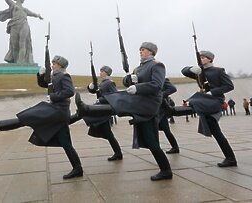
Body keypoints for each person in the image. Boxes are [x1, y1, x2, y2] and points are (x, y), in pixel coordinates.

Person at [75, 42, 173, 181]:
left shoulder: (157, 65)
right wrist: (129, 79)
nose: (140, 51)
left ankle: (166, 171)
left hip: (149, 103)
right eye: (140, 49)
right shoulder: (139, 67)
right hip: (140, 102)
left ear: (151, 52)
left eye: (143, 49)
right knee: (151, 141)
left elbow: (157, 85)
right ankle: (166, 170)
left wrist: (138, 88)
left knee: (120, 99)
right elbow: (128, 82)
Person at [0, 55, 83, 179]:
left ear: (60, 65)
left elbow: (70, 91)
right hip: (56, 112)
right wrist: (40, 75)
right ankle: (78, 168)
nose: (52, 65)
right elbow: (44, 84)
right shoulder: (55, 76)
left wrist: (53, 97)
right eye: (52, 63)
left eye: (54, 64)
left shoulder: (64, 75)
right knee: (66, 143)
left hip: (58, 111)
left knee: (27, 117)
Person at [180, 50, 237, 167]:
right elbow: (184, 71)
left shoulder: (218, 71)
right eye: (200, 57)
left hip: (214, 100)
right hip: (204, 100)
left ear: (210, 59)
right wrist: (190, 68)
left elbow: (229, 86)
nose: (201, 59)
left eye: (204, 57)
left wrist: (213, 92)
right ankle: (230, 158)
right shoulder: (199, 72)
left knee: (194, 101)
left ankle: (230, 158)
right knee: (216, 130)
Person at [0, 0, 43, 64]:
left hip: (24, 24)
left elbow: (33, 14)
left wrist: (38, 15)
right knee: (14, 45)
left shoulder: (24, 10)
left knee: (23, 43)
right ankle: (16, 62)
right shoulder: (13, 5)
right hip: (14, 25)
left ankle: (21, 63)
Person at [76, 65, 123, 161]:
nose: (100, 72)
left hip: (105, 110)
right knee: (108, 133)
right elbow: (96, 91)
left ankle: (118, 153)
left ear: (106, 72)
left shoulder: (110, 83)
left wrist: (101, 100)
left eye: (102, 71)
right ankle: (118, 153)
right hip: (101, 109)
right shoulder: (103, 82)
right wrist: (91, 87)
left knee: (108, 133)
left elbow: (114, 96)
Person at [160, 79, 180, 154]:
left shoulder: (162, 79)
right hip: (154, 108)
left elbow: (173, 88)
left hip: (162, 109)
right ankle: (175, 147)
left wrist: (160, 95)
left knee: (166, 129)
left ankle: (175, 147)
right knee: (165, 130)